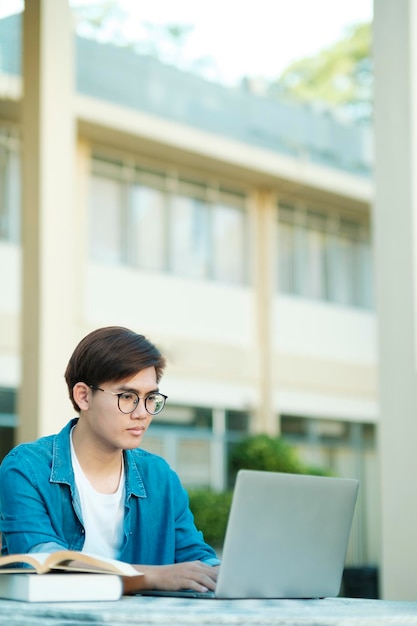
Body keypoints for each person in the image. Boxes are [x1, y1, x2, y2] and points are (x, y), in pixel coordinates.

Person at [0, 326, 219, 594]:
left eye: (150, 398)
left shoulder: (158, 475)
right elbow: (43, 564)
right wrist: (149, 577)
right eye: (127, 397)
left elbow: (195, 557)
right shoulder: (25, 468)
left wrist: (227, 573)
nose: (142, 413)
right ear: (83, 396)